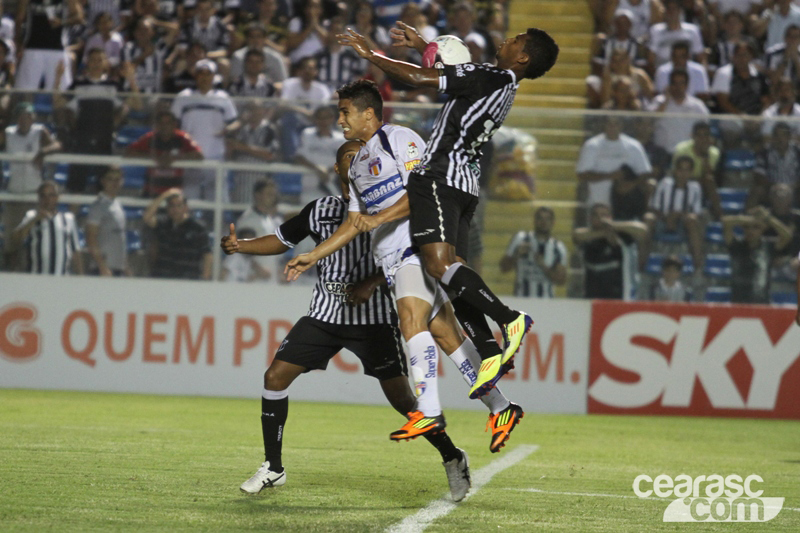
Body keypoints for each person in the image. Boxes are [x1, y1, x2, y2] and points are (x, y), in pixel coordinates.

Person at [224, 140, 472, 502]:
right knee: (274, 377)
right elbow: (281, 240)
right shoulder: (321, 209)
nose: (358, 162)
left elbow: (413, 255)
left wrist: (372, 282)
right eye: (349, 158)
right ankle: (273, 467)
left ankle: (452, 456)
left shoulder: (391, 209)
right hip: (325, 315)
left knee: (403, 399)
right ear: (338, 169)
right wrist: (241, 245)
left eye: (364, 156)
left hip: (374, 321)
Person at [286, 81, 523, 445]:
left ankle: (428, 410)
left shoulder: (399, 138)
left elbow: (423, 191)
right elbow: (354, 223)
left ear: (368, 113)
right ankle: (501, 407)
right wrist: (312, 255)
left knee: (411, 321)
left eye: (345, 112)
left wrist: (379, 219)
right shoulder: (358, 165)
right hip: (392, 261)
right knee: (446, 335)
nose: (340, 120)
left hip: (415, 248)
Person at [336, 22, 560, 397]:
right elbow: (455, 72)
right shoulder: (504, 85)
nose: (506, 40)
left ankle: (509, 319)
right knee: (452, 276)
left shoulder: (490, 76)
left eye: (515, 40)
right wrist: (424, 45)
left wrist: (370, 54)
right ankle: (489, 352)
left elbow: (419, 78)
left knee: (438, 265)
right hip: (465, 184)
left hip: (440, 179)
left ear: (522, 57)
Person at [170, 59, 239, 200]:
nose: (205, 77)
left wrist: (227, 130)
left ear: (214, 76)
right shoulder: (183, 97)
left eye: (208, 74)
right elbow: (172, 123)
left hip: (216, 157)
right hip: (190, 157)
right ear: (195, 75)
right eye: (201, 73)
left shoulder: (223, 97)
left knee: (216, 201)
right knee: (189, 199)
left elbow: (235, 122)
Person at [2, 103, 62, 265]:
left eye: (28, 116)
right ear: (17, 118)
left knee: (35, 239)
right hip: (14, 192)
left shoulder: (39, 131)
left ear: (33, 118)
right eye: (21, 116)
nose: (25, 119)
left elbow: (57, 145)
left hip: (35, 194)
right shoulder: (8, 133)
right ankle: (10, 274)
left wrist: (43, 151)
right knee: (12, 241)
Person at [576, 115, 652, 210]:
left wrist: (630, 185)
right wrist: (610, 176)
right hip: (598, 204)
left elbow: (645, 172)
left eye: (616, 124)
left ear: (621, 126)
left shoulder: (634, 146)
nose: (613, 127)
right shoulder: (592, 145)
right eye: (609, 124)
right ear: (604, 125)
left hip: (625, 204)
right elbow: (582, 174)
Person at [573, 203, 647, 300]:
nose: (600, 218)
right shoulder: (588, 236)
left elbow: (642, 230)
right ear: (590, 218)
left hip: (618, 295)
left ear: (610, 217)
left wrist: (613, 225)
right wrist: (604, 233)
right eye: (595, 215)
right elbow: (576, 236)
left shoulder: (622, 235)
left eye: (603, 215)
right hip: (592, 294)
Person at [124, 110, 205, 198]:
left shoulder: (183, 138)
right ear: (157, 125)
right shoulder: (150, 138)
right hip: (151, 192)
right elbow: (128, 152)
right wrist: (154, 157)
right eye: (161, 123)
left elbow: (199, 155)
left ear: (174, 124)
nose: (164, 126)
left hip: (174, 194)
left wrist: (175, 158)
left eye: (168, 123)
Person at [644, 155, 705, 269]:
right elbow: (654, 207)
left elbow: (697, 213)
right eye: (680, 169)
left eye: (687, 170)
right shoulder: (664, 183)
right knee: (648, 218)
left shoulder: (695, 187)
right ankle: (641, 265)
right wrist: (667, 218)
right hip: (662, 221)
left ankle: (698, 267)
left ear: (691, 172)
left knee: (692, 221)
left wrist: (678, 216)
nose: (683, 174)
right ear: (675, 170)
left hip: (684, 224)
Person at [11, 181, 84, 275]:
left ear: (57, 197)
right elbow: (15, 239)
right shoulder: (31, 216)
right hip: (36, 277)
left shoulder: (68, 218)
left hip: (61, 277)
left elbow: (75, 251)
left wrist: (80, 276)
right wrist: (35, 219)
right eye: (43, 196)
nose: (47, 199)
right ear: (39, 198)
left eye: (51, 195)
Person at [723, 209, 791, 303]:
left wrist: (768, 218)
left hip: (762, 302)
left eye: (756, 227)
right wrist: (748, 219)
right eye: (747, 227)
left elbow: (787, 235)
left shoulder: (769, 246)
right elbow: (726, 222)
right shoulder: (736, 245)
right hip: (738, 302)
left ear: (763, 229)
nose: (750, 231)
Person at [143, 188, 212, 280]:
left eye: (179, 205)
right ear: (167, 208)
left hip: (187, 280)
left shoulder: (198, 228)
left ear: (186, 208)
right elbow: (147, 218)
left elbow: (207, 255)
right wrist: (164, 195)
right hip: (162, 278)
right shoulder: (163, 223)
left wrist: (205, 279)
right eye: (171, 206)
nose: (175, 209)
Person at [499, 207, 568, 298]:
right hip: (521, 299)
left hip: (546, 302)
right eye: (540, 218)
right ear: (534, 220)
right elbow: (503, 268)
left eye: (547, 219)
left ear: (553, 222)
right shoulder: (520, 239)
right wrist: (516, 255)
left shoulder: (558, 247)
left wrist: (543, 266)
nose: (543, 222)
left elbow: (561, 281)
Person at [85, 166, 129, 277]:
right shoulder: (98, 206)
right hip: (102, 270)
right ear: (103, 181)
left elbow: (120, 240)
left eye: (117, 179)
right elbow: (91, 238)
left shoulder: (118, 205)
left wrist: (126, 267)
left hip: (118, 267)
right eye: (110, 179)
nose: (114, 183)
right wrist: (102, 266)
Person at [235, 179, 282, 282]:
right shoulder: (248, 220)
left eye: (273, 195)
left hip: (270, 278)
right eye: (269, 194)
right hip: (253, 278)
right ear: (258, 195)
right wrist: (258, 269)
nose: (272, 198)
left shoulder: (270, 220)